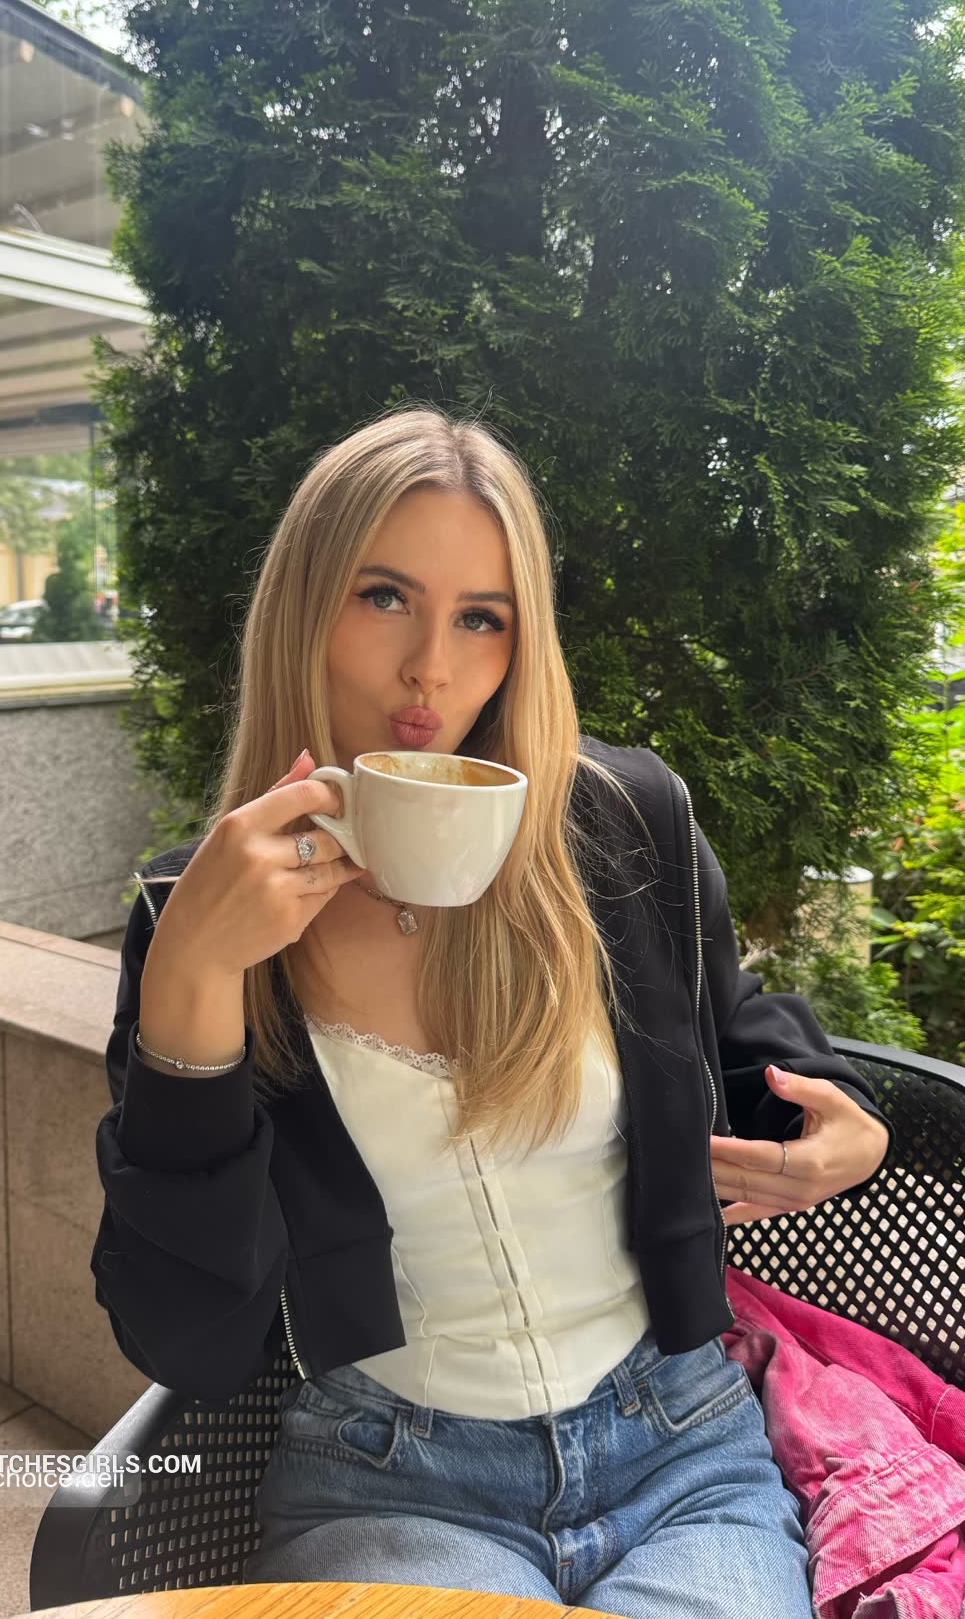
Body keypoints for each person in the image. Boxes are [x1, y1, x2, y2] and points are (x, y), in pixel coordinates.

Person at [92, 404, 893, 1618]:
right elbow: (186, 1337)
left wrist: (844, 1125)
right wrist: (195, 976)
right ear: (302, 607)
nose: (432, 667)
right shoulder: (201, 911)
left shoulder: (624, 821)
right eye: (383, 596)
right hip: (389, 1478)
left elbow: (731, 1036)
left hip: (682, 1444)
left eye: (482, 616)